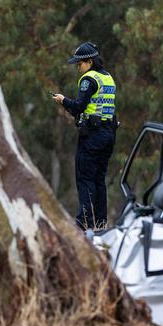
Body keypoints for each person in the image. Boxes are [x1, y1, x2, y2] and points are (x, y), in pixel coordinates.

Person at [52, 42, 117, 230]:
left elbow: (79, 106)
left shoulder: (88, 79)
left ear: (89, 61)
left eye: (79, 64)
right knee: (99, 179)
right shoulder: (108, 78)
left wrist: (63, 100)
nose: (78, 68)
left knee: (85, 178)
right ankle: (101, 223)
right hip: (108, 134)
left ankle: (84, 223)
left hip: (93, 136)